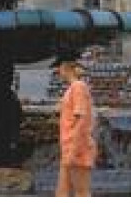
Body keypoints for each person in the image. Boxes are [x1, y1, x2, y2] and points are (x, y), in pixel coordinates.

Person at [55, 55, 97, 197]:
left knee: (81, 192)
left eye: (59, 68)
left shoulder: (78, 87)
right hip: (69, 145)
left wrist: (74, 148)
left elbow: (82, 118)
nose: (58, 71)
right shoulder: (73, 88)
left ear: (66, 69)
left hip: (77, 146)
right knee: (62, 193)